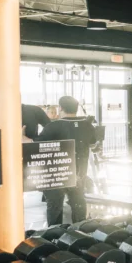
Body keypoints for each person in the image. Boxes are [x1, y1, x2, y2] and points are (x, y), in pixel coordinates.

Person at [38, 96, 97, 226]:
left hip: (58, 174)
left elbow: (37, 146)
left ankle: (55, 237)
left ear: (61, 108)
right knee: (78, 203)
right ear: (76, 108)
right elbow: (93, 144)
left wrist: (23, 137)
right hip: (79, 173)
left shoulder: (53, 126)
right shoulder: (87, 125)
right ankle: (80, 233)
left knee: (55, 207)